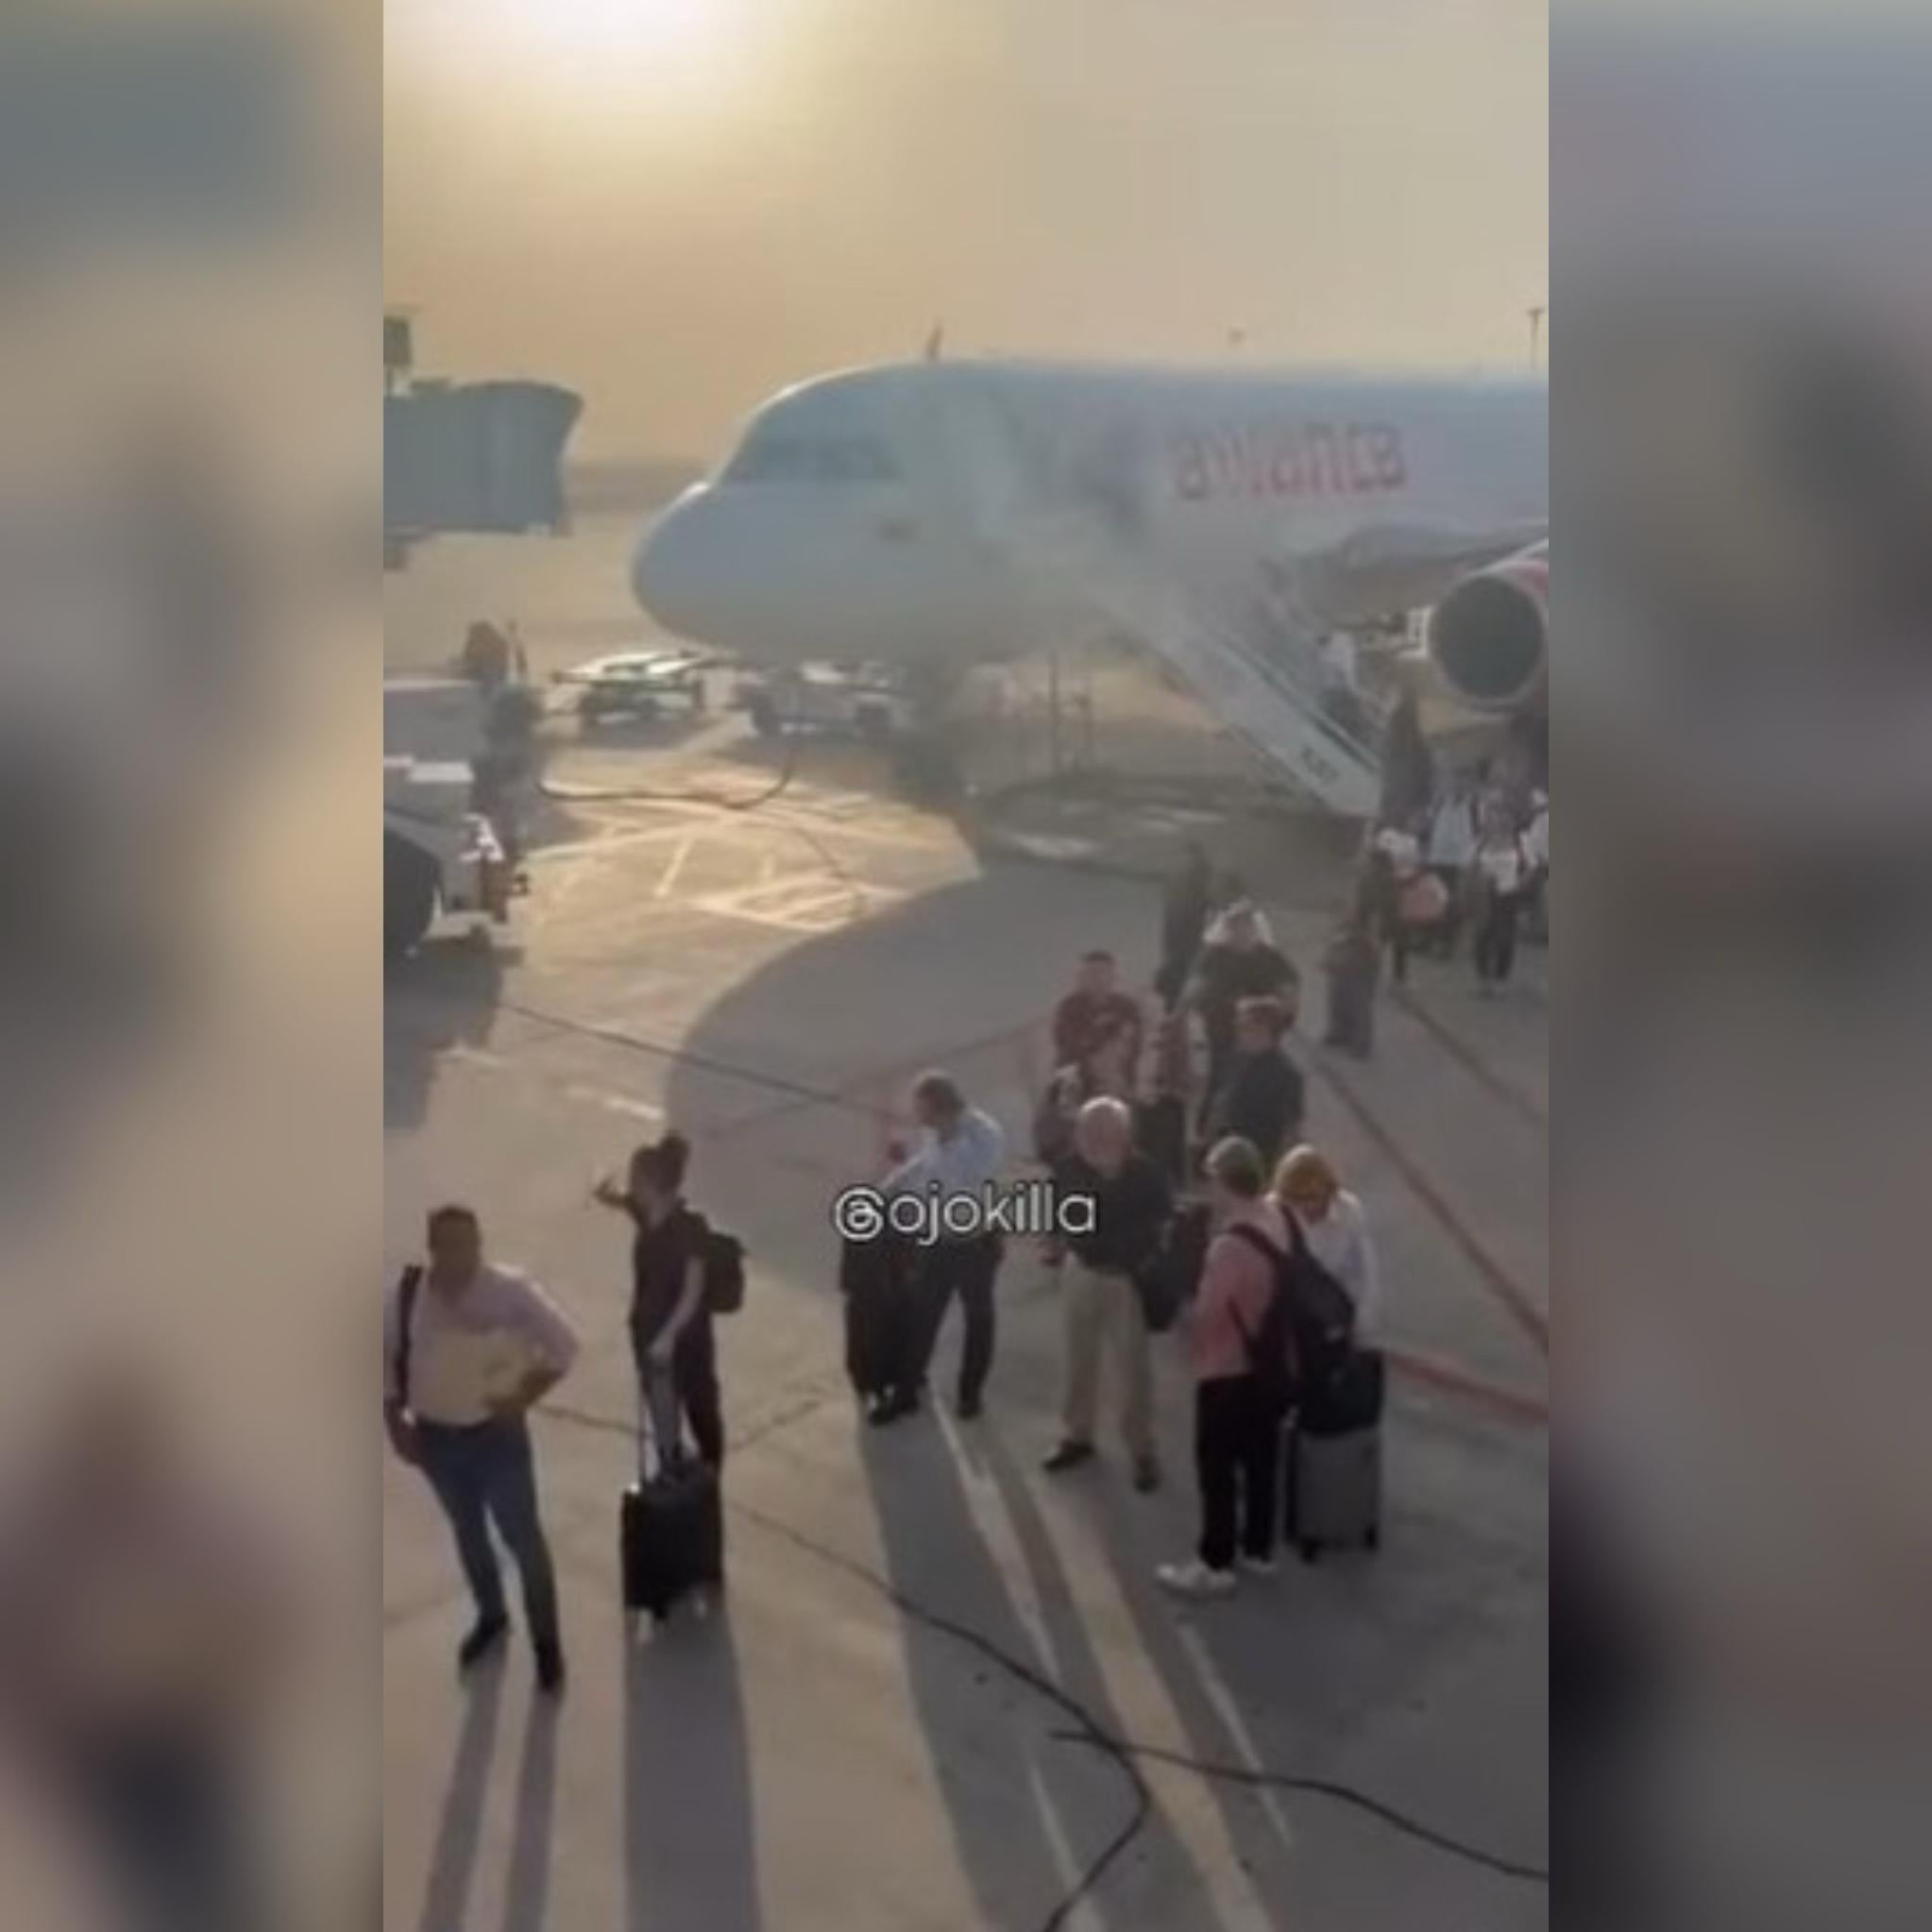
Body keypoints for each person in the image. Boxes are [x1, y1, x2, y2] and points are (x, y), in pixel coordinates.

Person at [384, 1204, 577, 1694]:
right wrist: (395, 1424)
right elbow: (384, 1360)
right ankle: (492, 1616)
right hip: (436, 1441)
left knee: (524, 1541)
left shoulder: (509, 1291)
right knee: (468, 1532)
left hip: (497, 1439)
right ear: (432, 1249)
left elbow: (564, 1346)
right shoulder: (406, 1296)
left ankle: (546, 1644)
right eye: (450, 1245)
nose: (462, 1255)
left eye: (469, 1244)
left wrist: (525, 1397)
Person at [1157, 1137, 1289, 1598]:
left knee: (1216, 1467)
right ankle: (1258, 1549)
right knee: (1260, 1461)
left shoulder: (1229, 1246)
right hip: (1268, 1365)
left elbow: (1209, 1313)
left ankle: (1215, 1561)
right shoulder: (1276, 1220)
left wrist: (1186, 1334)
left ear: (1224, 1181)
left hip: (1227, 1366)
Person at [1043, 1097, 1173, 1493]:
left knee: (1133, 1369)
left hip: (1125, 1281)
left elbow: (1162, 1227)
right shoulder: (1067, 1169)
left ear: (1123, 1136)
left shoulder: (1148, 1175)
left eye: (1102, 1133)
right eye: (1085, 1132)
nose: (1091, 1141)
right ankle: (1077, 1435)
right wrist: (1054, 1242)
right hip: (1080, 1272)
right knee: (1078, 1359)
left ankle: (1142, 1449)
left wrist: (1142, 1260)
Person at [878, 1071, 1007, 1423]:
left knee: (978, 1316)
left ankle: (970, 1394)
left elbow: (968, 1177)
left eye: (922, 1110)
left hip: (975, 1241)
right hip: (938, 1238)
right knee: (923, 1314)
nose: (918, 1117)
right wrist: (892, 1186)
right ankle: (906, 1391)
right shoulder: (935, 1132)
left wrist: (952, 1138)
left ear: (942, 1107)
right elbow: (925, 1162)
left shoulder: (983, 1134)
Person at [594, 1131, 725, 1470]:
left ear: (654, 1185)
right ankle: (671, 1463)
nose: (632, 1186)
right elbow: (619, 1201)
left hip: (687, 1340)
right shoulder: (646, 1212)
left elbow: (692, 1291)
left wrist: (668, 1337)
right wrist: (605, 1192)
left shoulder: (690, 1227)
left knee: (700, 1407)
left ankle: (710, 1470)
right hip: (647, 1332)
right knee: (662, 1410)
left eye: (636, 1179)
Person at [1187, 901, 1298, 1123]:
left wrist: (1284, 1016)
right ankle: (1208, 1124)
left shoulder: (1269, 957)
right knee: (1221, 1076)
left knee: (1259, 1077)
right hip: (1222, 1028)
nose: (1241, 932)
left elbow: (1288, 987)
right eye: (1236, 926)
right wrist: (1181, 1013)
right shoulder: (1215, 955)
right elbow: (1196, 985)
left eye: (1246, 926)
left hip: (1261, 1031)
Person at [1273, 1145, 1383, 1345]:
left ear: (1328, 1191)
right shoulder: (1272, 1211)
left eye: (1311, 1197)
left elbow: (1365, 1275)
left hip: (1334, 1314)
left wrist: (1362, 1329)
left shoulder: (1349, 1212)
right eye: (1296, 1199)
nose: (1304, 1206)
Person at [1205, 996, 1305, 1173]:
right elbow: (1222, 1102)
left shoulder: (1286, 1075)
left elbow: (1290, 1128)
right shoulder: (1235, 1061)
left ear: (1265, 1031)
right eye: (1238, 1028)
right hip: (1231, 1152)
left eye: (1246, 1029)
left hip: (1261, 1158)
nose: (1238, 1034)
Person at [1052, 952, 1144, 1087]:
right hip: (1076, 1077)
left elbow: (1136, 1044)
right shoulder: (1069, 1007)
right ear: (1081, 978)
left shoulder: (1126, 1007)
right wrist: (1099, 1029)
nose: (1098, 979)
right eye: (1091, 973)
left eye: (1103, 973)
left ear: (1113, 977)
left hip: (1118, 1077)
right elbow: (1069, 1046)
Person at [1471, 809, 1533, 995]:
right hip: (1485, 895)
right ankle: (1483, 979)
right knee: (1482, 936)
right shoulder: (1482, 842)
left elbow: (1530, 868)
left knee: (1504, 938)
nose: (1499, 822)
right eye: (1495, 819)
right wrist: (1479, 878)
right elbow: (1471, 864)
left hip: (1507, 894)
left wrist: (1519, 884)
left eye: (1504, 818)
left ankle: (1500, 978)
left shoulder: (1520, 841)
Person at [1423, 771, 1479, 958]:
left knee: (1454, 903)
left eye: (1463, 783)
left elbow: (1477, 832)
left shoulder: (1472, 805)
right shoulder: (1441, 802)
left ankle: (1447, 943)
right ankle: (1430, 939)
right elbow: (1429, 824)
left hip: (1460, 862)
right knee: (1434, 899)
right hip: (1438, 857)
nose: (1458, 786)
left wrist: (1472, 859)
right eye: (1455, 782)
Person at [1156, 840, 1214, 1010]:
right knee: (1181, 963)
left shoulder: (1195, 874)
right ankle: (1178, 1003)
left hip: (1186, 927)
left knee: (1183, 963)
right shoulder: (1181, 876)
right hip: (1182, 927)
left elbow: (1206, 901)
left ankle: (1178, 1003)